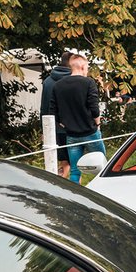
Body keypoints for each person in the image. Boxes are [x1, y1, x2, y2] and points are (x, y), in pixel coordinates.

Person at [50, 54, 105, 183]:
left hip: (71, 134)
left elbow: (52, 111)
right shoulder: (88, 83)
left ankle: (75, 197)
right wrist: (97, 123)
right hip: (90, 132)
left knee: (75, 170)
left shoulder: (58, 85)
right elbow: (94, 108)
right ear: (81, 66)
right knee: (102, 166)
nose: (87, 70)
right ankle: (104, 192)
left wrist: (63, 124)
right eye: (87, 67)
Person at [40, 51, 73, 178]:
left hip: (52, 127)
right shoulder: (72, 80)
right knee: (74, 161)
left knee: (62, 160)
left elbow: (43, 107)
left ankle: (58, 180)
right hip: (70, 126)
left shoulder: (48, 81)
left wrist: (43, 129)